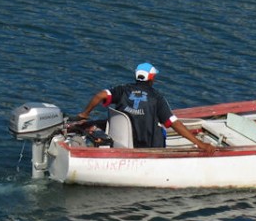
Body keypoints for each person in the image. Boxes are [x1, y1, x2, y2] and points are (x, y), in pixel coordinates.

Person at [76, 62, 216, 153]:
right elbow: (174, 123)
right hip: (148, 147)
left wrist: (85, 113)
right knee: (162, 128)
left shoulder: (123, 90)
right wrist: (200, 144)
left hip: (123, 142)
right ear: (151, 78)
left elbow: (100, 95)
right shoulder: (157, 97)